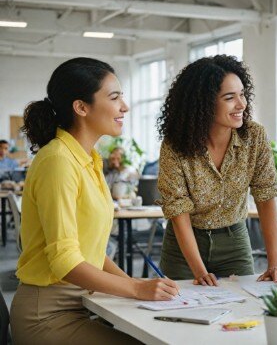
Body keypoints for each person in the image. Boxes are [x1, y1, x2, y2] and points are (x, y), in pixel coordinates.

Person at [11, 57, 179, 345]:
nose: (124, 107)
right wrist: (136, 290)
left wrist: (134, 284)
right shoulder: (58, 161)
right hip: (49, 314)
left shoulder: (89, 160)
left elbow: (89, 250)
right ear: (81, 107)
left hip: (84, 302)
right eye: (114, 98)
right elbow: (65, 261)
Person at [156, 55, 277, 286]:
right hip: (184, 246)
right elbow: (178, 211)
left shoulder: (254, 137)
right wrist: (199, 271)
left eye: (242, 94)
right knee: (184, 311)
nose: (241, 104)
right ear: (203, 103)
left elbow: (266, 197)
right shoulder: (175, 145)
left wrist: (274, 264)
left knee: (244, 309)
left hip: (234, 241)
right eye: (230, 98)